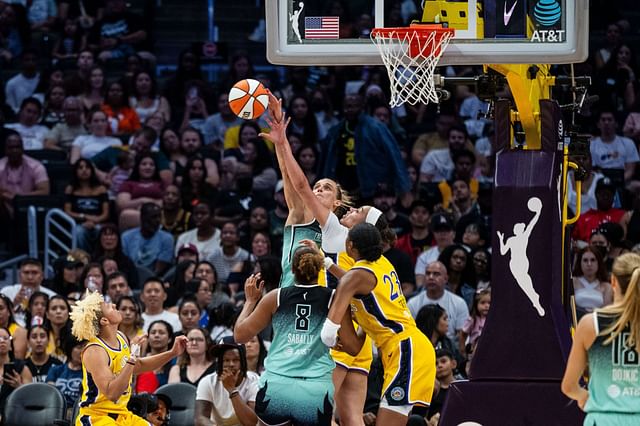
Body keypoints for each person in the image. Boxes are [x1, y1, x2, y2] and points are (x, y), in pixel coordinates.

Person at [322, 223, 436, 424]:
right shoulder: (381, 263)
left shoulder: (356, 276)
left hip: (405, 349)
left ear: (350, 246)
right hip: (409, 347)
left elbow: (328, 332)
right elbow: (352, 281)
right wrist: (327, 264)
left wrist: (330, 340)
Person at [234, 246, 341, 425]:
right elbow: (353, 347)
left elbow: (239, 336)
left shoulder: (276, 297)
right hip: (313, 388)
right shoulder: (333, 298)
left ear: (292, 269)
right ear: (320, 268)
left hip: (277, 385)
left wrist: (250, 301)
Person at [70, 290, 188, 425]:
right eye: (108, 306)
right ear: (104, 320)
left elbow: (139, 366)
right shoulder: (94, 351)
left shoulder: (121, 337)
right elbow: (112, 393)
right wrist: (131, 358)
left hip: (123, 415)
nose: (114, 305)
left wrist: (172, 353)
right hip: (97, 417)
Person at [562, 252, 640, 424]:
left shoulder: (590, 324)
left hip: (602, 418)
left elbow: (569, 386)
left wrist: (585, 397)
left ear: (613, 282)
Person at [194, 336, 259, 426]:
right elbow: (200, 418)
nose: (231, 364)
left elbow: (252, 423)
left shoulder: (254, 381)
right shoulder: (208, 382)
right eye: (226, 360)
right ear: (220, 363)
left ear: (243, 362)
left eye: (236, 360)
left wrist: (232, 390)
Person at [0, 131, 50, 219]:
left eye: (17, 147)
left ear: (23, 149)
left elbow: (44, 191)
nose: (14, 150)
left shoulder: (36, 166)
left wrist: (18, 198)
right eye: (11, 148)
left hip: (29, 206)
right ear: (5, 150)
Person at [64, 159, 110, 251]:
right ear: (75, 171)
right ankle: (85, 260)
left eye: (87, 167)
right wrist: (84, 217)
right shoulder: (70, 189)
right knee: (79, 232)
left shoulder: (101, 189)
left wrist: (94, 221)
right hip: (78, 224)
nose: (84, 170)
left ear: (92, 170)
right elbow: (67, 211)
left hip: (98, 222)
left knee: (100, 230)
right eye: (80, 168)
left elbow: (106, 214)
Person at [1, 258, 57, 328]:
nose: (30, 277)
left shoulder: (51, 297)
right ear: (20, 275)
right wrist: (13, 304)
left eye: (34, 273)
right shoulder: (7, 292)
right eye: (26, 273)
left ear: (42, 276)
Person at [121, 203, 174, 275]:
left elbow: (158, 270)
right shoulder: (126, 237)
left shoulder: (167, 239)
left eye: (159, 217)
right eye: (153, 217)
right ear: (142, 218)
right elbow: (125, 265)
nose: (157, 221)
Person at [572, 247, 614, 317]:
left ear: (599, 263)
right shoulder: (572, 282)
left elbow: (607, 312)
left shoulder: (607, 287)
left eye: (593, 260)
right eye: (585, 260)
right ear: (580, 262)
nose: (589, 264)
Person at [46, 335, 84, 412]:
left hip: (78, 411)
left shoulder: (89, 373)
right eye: (79, 347)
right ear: (70, 349)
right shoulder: (56, 370)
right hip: (57, 410)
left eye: (85, 347)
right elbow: (50, 393)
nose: (83, 351)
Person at [459, 289, 490, 357]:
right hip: (473, 351)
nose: (486, 306)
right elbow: (463, 333)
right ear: (476, 304)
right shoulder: (472, 319)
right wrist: (463, 349)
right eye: (483, 303)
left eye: (489, 303)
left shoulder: (494, 320)